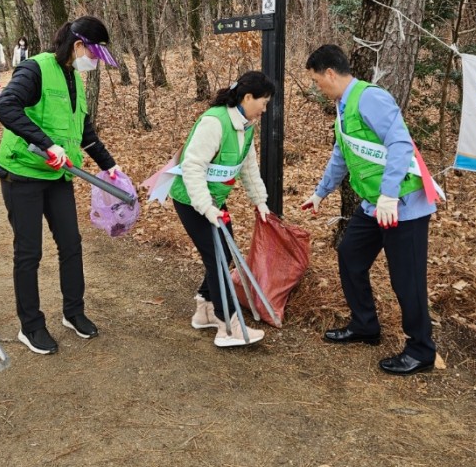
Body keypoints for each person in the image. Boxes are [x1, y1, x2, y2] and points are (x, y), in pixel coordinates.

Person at [302, 44, 440, 376]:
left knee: (407, 280)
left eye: (318, 82)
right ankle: (365, 325)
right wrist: (321, 193)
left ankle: (421, 350)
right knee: (350, 254)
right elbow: (342, 154)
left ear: (331, 74)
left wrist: (389, 195)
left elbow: (400, 143)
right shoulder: (343, 106)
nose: (318, 89)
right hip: (372, 204)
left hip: (401, 204)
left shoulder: (370, 98)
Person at [0, 16, 121, 355]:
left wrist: (110, 166)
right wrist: (47, 143)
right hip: (22, 174)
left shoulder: (74, 79)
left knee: (71, 243)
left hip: (59, 176)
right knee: (29, 252)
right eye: (93, 55)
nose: (92, 63)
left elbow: (84, 130)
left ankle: (73, 312)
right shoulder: (35, 69)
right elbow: (5, 107)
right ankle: (30, 326)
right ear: (79, 46)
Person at [171, 71, 274, 348]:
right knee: (216, 254)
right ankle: (228, 324)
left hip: (214, 200)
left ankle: (204, 310)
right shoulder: (214, 122)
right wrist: (206, 207)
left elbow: (248, 168)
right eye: (263, 103)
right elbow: (192, 167)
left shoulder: (246, 125)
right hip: (192, 200)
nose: (264, 110)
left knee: (222, 252)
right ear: (247, 97)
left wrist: (260, 201)